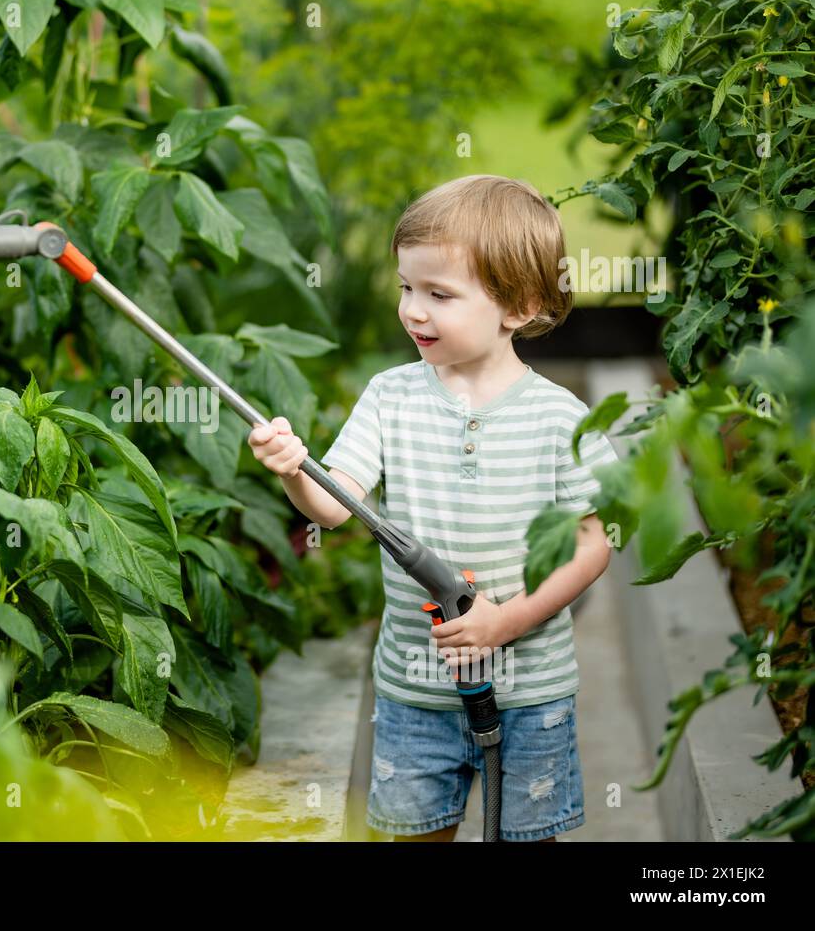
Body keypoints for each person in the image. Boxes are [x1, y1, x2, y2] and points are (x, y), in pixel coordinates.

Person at [248, 174, 620, 842]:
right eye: (406, 288)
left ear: (519, 305)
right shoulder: (392, 397)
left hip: (530, 694)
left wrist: (508, 620)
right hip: (414, 693)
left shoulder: (559, 419)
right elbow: (334, 509)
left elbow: (596, 543)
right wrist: (293, 469)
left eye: (439, 295)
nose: (413, 311)